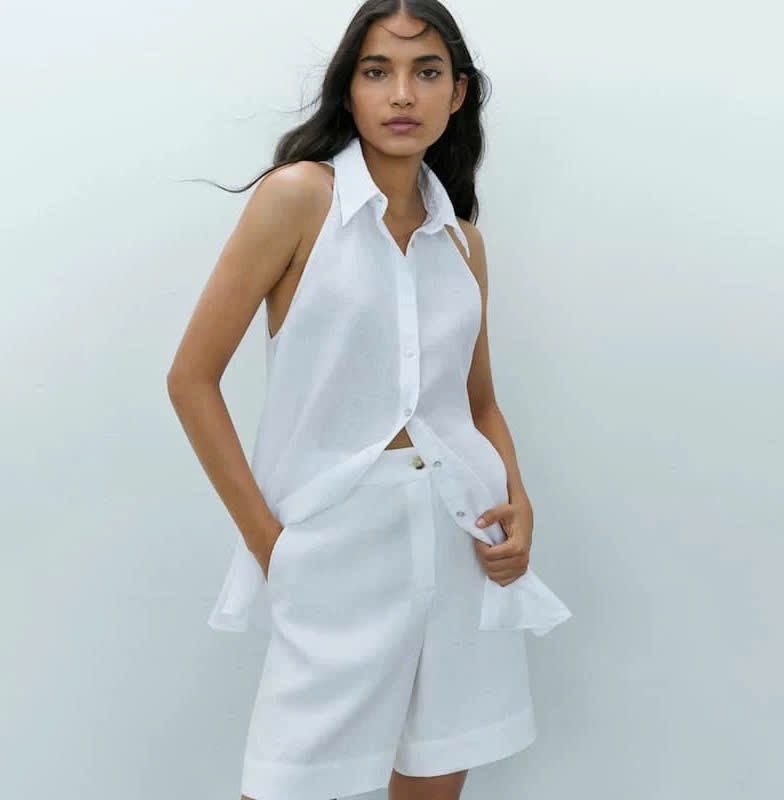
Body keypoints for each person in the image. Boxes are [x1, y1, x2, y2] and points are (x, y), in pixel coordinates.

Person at [167, 3, 571, 799]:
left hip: (462, 540)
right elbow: (191, 379)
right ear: (347, 88)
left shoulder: (461, 240)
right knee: (285, 780)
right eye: (377, 71)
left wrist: (520, 505)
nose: (402, 94)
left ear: (458, 93)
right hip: (333, 546)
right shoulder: (298, 199)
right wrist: (270, 544)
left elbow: (478, 405)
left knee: (433, 780)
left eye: (427, 73)